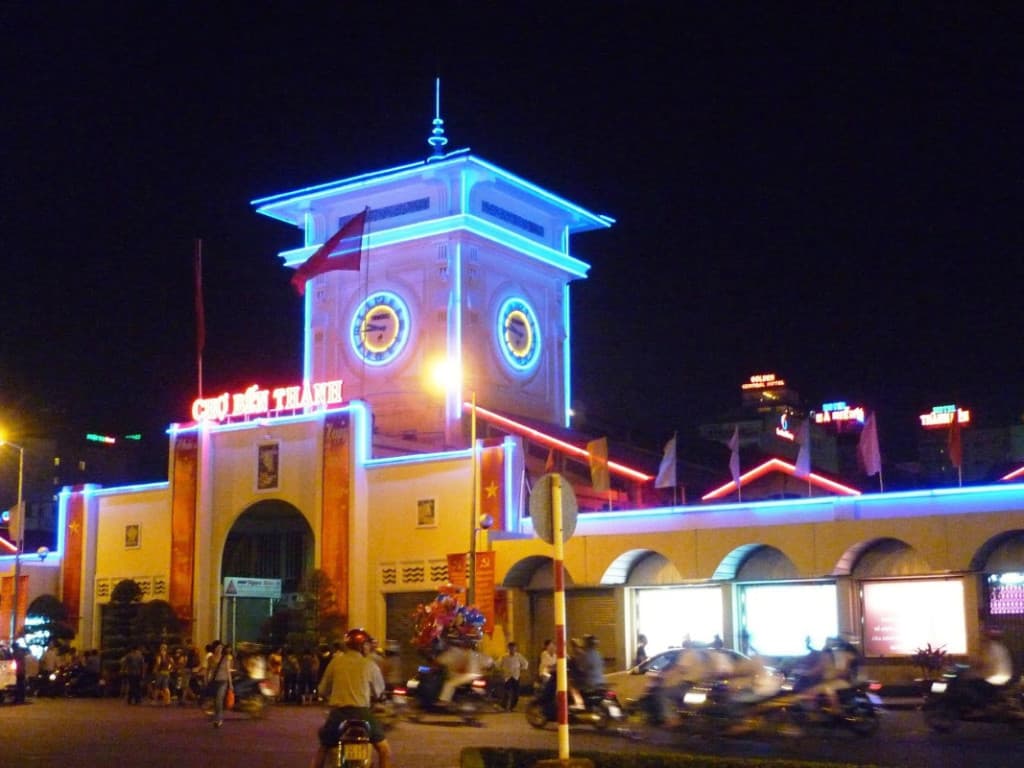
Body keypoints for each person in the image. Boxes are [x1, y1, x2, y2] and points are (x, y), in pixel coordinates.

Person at [311, 628, 392, 768]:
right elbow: (379, 692)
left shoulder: (335, 662)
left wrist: (328, 697)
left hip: (338, 714)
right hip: (362, 714)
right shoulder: (369, 665)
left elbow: (322, 690)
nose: (368, 647)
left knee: (323, 749)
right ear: (361, 646)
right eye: (366, 644)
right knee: (384, 750)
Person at [207, 640, 233, 727]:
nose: (219, 649)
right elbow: (208, 669)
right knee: (215, 701)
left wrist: (230, 683)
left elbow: (228, 671)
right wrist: (206, 679)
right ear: (214, 649)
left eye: (221, 648)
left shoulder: (226, 658)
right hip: (214, 681)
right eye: (218, 648)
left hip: (223, 681)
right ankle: (216, 716)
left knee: (219, 699)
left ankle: (219, 719)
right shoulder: (211, 658)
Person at [497, 642, 529, 711]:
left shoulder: (519, 656)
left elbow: (525, 663)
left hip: (515, 676)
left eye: (513, 648)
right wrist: (501, 671)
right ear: (508, 648)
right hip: (507, 677)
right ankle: (504, 706)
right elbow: (498, 664)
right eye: (510, 648)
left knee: (516, 693)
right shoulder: (504, 656)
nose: (512, 650)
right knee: (506, 693)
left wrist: (521, 669)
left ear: (515, 648)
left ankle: (512, 707)